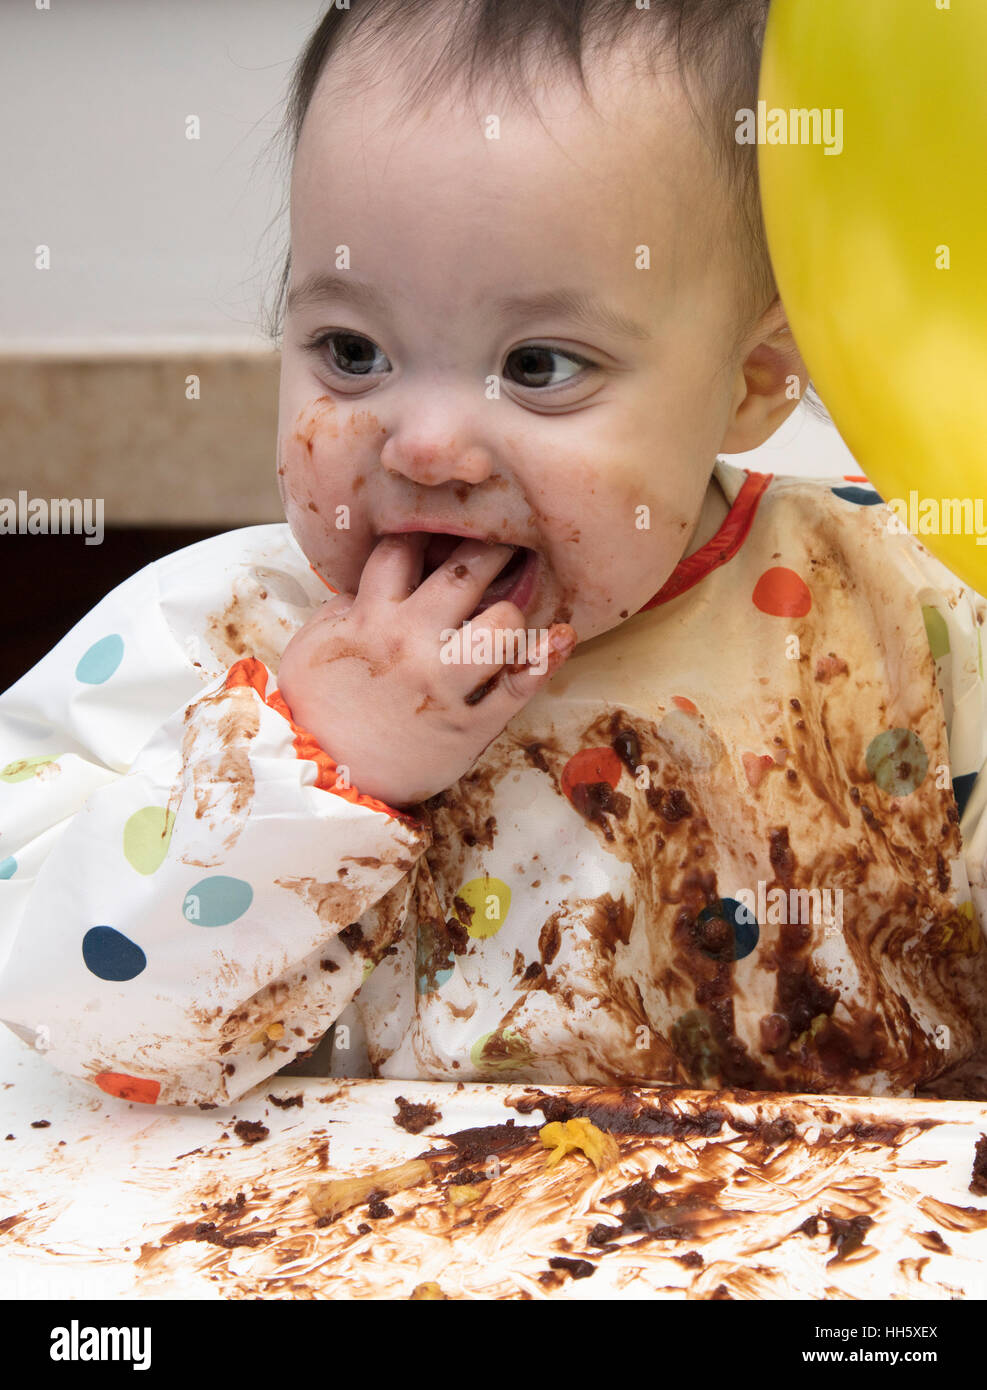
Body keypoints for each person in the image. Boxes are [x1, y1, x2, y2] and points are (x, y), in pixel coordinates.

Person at [1, 0, 985, 1108]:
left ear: (754, 380)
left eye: (539, 365)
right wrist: (308, 771)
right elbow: (54, 1007)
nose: (424, 445)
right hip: (350, 1250)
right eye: (352, 350)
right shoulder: (222, 637)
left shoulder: (907, 612)